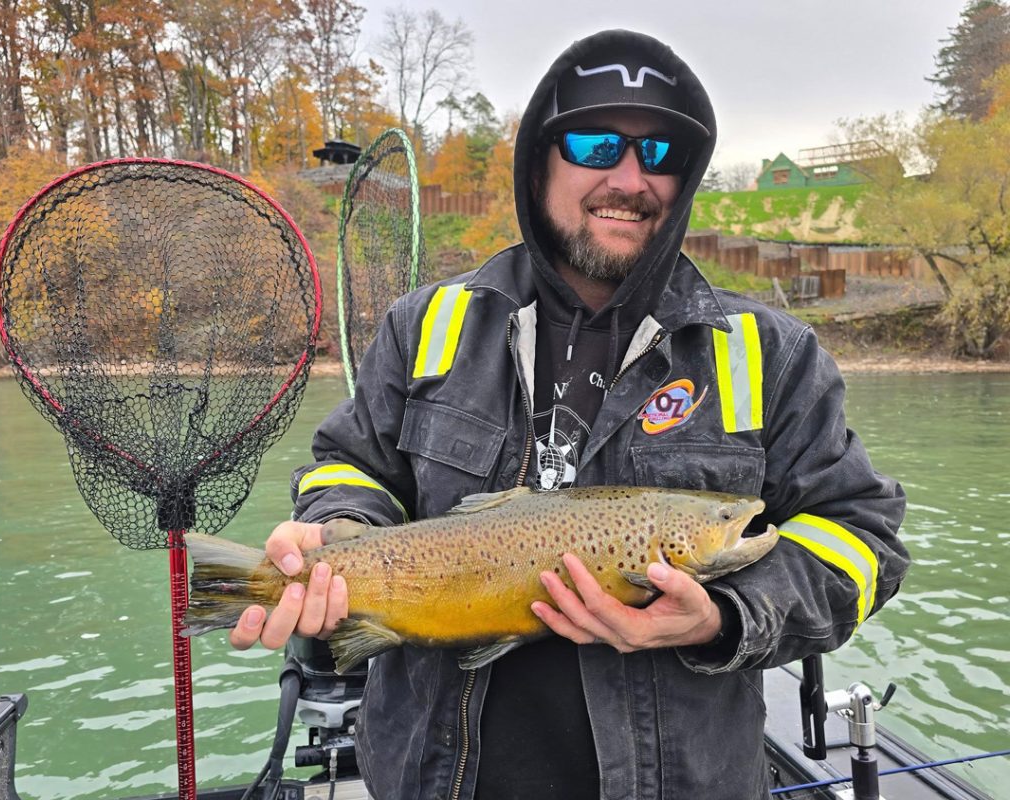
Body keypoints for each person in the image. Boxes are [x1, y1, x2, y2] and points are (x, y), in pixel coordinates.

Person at [229, 28, 910, 800]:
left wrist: (725, 615)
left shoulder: (771, 355)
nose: (630, 178)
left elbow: (862, 537)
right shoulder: (427, 325)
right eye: (595, 144)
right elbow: (351, 466)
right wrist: (340, 531)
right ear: (538, 160)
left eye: (659, 157)